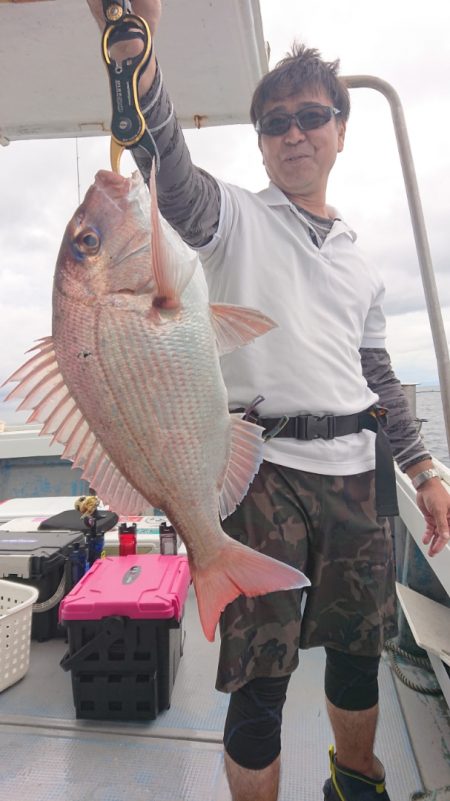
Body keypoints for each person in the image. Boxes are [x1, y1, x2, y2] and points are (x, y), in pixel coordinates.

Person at [88, 3, 450, 799]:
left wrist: (423, 467)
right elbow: (170, 171)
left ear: (341, 129)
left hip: (360, 473)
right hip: (263, 475)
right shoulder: (234, 219)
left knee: (360, 656)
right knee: (261, 682)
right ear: (259, 140)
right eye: (275, 122)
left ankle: (357, 780)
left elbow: (379, 374)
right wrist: (136, 60)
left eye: (311, 117)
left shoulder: (362, 258)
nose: (293, 133)